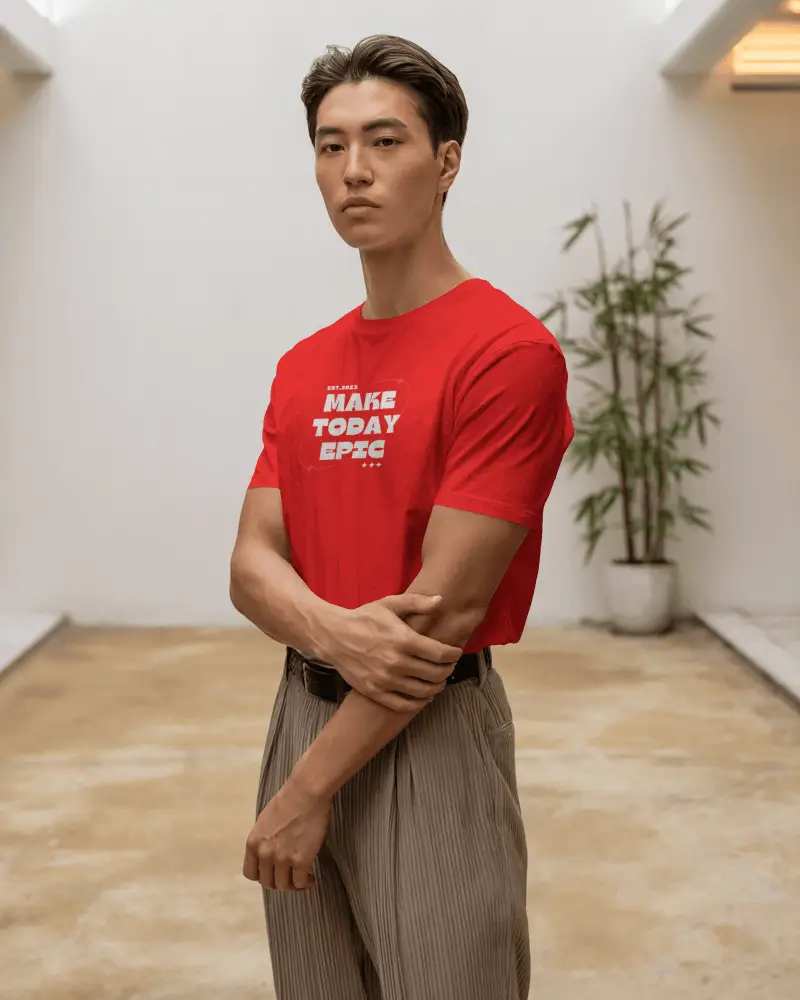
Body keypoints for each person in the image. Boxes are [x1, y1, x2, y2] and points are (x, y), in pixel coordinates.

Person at [229, 33, 573, 1000]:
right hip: (300, 711)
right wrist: (333, 633)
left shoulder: (507, 354)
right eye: (331, 146)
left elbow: (441, 617)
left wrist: (308, 793)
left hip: (427, 731)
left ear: (447, 161)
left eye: (385, 141)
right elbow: (250, 563)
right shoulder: (305, 364)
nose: (354, 172)